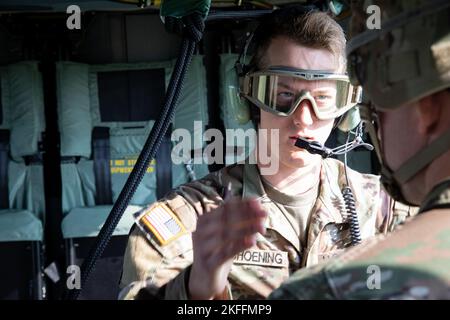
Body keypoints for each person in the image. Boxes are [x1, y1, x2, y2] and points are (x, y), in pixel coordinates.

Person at [119, 6, 414, 300]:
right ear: (246, 102)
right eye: (284, 95)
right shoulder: (188, 220)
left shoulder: (385, 209)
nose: (304, 119)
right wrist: (195, 288)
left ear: (345, 109)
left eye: (323, 98)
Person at [270, 0, 450, 300]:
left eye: (377, 107)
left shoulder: (327, 290)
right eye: (285, 95)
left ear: (425, 108)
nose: (303, 117)